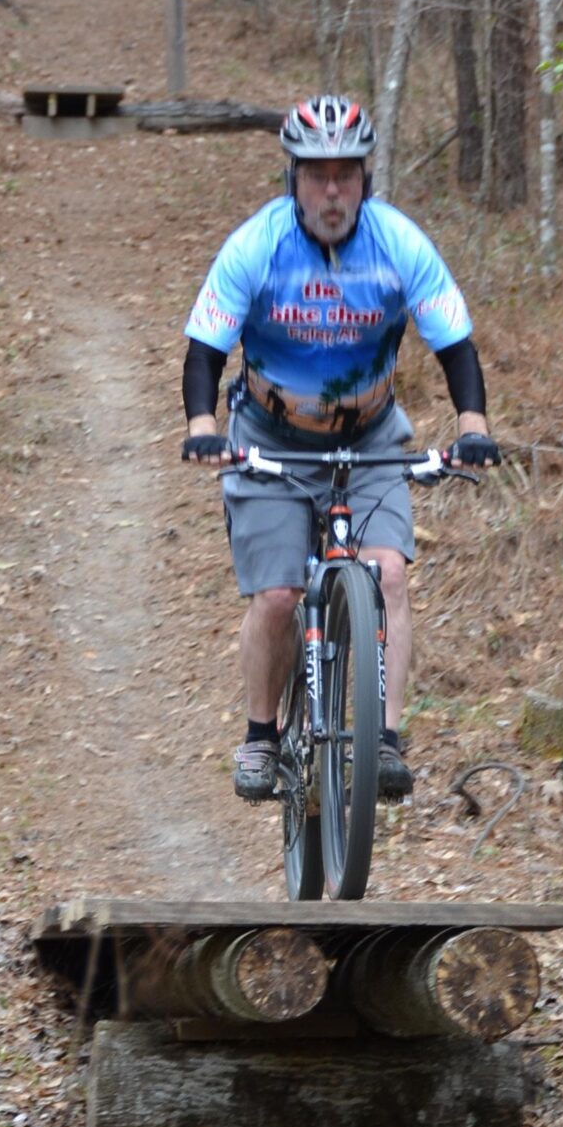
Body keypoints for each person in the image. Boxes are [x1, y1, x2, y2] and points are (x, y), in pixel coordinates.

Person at [180, 95, 500, 803]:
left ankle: (384, 740)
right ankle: (262, 735)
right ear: (292, 177)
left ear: (366, 179)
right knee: (278, 595)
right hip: (269, 438)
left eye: (346, 175)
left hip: (371, 436)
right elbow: (205, 349)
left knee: (388, 575)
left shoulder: (398, 243)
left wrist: (472, 425)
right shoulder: (257, 245)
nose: (332, 190)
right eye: (317, 174)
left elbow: (455, 344)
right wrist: (204, 428)